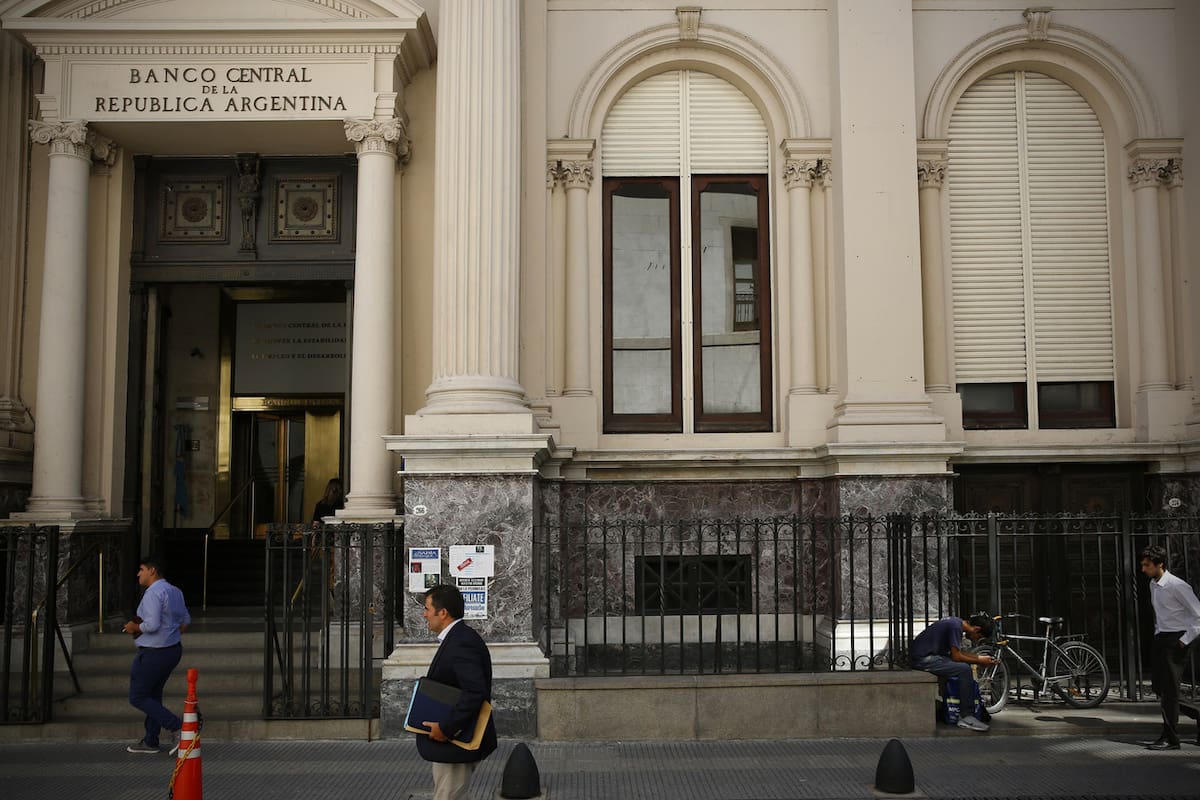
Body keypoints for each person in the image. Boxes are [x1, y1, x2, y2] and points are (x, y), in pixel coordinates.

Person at [417, 584, 498, 800]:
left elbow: (474, 692)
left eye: (427, 609)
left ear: (442, 613)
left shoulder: (462, 642)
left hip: (456, 739)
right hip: (451, 740)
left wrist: (446, 728)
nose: (424, 615)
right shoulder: (457, 638)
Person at [123, 556, 191, 754]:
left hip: (154, 652)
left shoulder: (153, 593)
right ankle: (151, 739)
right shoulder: (175, 591)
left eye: (141, 569)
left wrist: (133, 626)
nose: (138, 573)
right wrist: (170, 632)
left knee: (137, 696)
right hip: (172, 649)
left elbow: (151, 625)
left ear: (152, 571)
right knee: (153, 694)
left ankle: (178, 727)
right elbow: (185, 620)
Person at [1140, 544, 1200, 751]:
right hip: (1161, 638)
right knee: (1159, 687)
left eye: (1147, 565)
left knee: (1170, 691)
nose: (1143, 569)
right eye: (1143, 565)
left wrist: (1186, 639)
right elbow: (1161, 614)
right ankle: (1197, 713)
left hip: (1178, 640)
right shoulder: (1153, 585)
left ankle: (1171, 738)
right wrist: (1158, 633)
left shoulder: (1177, 586)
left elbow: (1198, 615)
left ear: (1160, 565)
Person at [911, 613, 998, 732]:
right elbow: (957, 657)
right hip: (923, 659)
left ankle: (957, 708)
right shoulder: (955, 627)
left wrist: (978, 658)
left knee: (963, 667)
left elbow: (956, 654)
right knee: (964, 669)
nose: (975, 639)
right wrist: (979, 660)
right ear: (976, 629)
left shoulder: (955, 622)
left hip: (928, 656)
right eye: (978, 637)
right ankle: (967, 716)